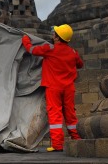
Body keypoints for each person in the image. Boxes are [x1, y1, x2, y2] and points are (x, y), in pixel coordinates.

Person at [22, 24, 83, 152]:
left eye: (54, 33)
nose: (53, 34)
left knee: (55, 115)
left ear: (57, 37)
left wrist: (25, 39)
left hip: (53, 87)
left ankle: (57, 145)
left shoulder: (50, 49)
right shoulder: (73, 52)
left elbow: (31, 50)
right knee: (70, 114)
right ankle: (77, 139)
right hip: (68, 88)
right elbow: (80, 64)